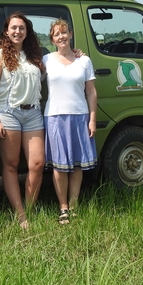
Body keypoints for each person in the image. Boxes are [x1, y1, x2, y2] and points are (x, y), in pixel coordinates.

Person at [0, 12, 45, 229]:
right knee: (11, 165)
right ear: (6, 31)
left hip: (33, 114)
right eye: (13, 28)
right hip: (9, 113)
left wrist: (77, 53)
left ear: (27, 31)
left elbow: (61, 60)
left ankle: (30, 208)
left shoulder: (36, 56)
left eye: (21, 28)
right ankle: (21, 215)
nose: (17, 31)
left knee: (37, 164)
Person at [43, 19, 97, 225]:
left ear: (71, 34)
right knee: (59, 166)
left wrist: (92, 119)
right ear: (52, 39)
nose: (61, 36)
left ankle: (74, 206)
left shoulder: (84, 61)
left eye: (64, 32)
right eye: (57, 34)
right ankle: (63, 207)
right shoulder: (46, 59)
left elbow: (91, 92)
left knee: (77, 165)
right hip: (55, 117)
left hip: (80, 115)